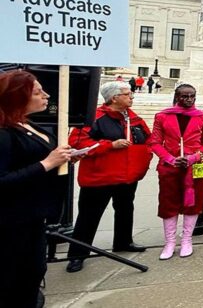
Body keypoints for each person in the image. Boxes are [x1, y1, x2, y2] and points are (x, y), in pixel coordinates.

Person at [0, 70, 72, 308]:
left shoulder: (30, 124)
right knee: (13, 278)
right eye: (38, 91)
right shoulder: (4, 133)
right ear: (17, 96)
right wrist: (48, 163)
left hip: (35, 215)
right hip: (10, 222)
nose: (47, 95)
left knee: (34, 271)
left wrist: (64, 158)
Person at [65, 81, 153, 273]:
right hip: (100, 178)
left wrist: (144, 160)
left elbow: (148, 139)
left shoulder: (133, 117)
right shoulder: (94, 118)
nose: (132, 97)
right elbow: (77, 143)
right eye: (127, 94)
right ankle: (77, 254)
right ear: (114, 98)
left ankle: (123, 241)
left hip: (128, 176)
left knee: (125, 209)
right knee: (89, 216)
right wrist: (109, 145)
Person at [148, 84, 203, 259]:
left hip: (195, 166)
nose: (188, 99)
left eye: (192, 96)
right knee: (168, 203)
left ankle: (187, 239)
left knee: (193, 202)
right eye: (184, 96)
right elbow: (154, 142)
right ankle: (169, 242)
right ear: (177, 97)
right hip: (170, 166)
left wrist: (194, 157)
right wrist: (170, 158)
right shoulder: (162, 116)